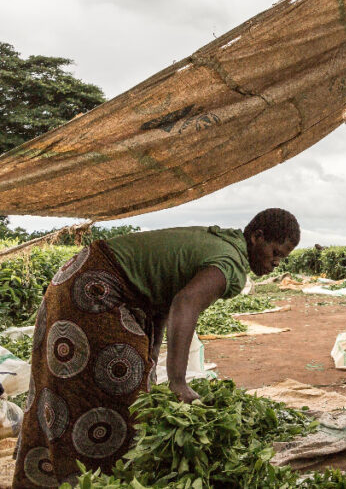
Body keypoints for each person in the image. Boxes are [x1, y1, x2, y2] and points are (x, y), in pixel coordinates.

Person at [13, 208, 300, 488]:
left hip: (81, 275)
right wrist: (178, 381)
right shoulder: (230, 263)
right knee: (121, 384)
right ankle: (98, 480)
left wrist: (151, 351)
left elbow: (162, 300)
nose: (276, 263)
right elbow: (184, 304)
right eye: (275, 253)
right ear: (257, 237)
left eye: (282, 259)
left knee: (138, 373)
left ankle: (57, 473)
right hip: (94, 288)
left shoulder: (224, 243)